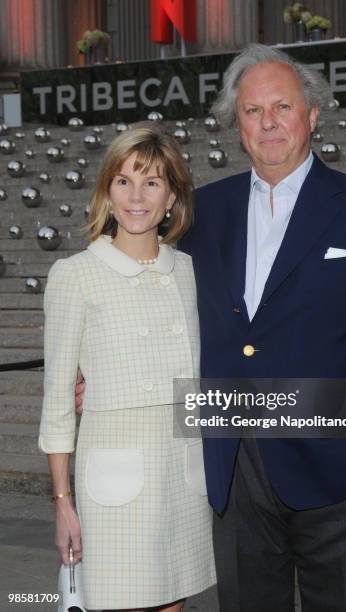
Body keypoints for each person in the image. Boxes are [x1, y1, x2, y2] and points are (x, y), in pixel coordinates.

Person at [76, 45, 346, 611]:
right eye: (252, 111)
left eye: (282, 107)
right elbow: (150, 296)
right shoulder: (201, 213)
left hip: (342, 460)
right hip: (233, 462)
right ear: (237, 127)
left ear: (312, 116)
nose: (268, 123)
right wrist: (100, 372)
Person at [39, 127, 216, 612]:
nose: (137, 197)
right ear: (106, 193)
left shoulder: (189, 272)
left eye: (153, 182)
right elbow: (57, 401)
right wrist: (62, 502)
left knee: (174, 606)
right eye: (123, 181)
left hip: (182, 477)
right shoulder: (75, 275)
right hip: (114, 488)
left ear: (172, 197)